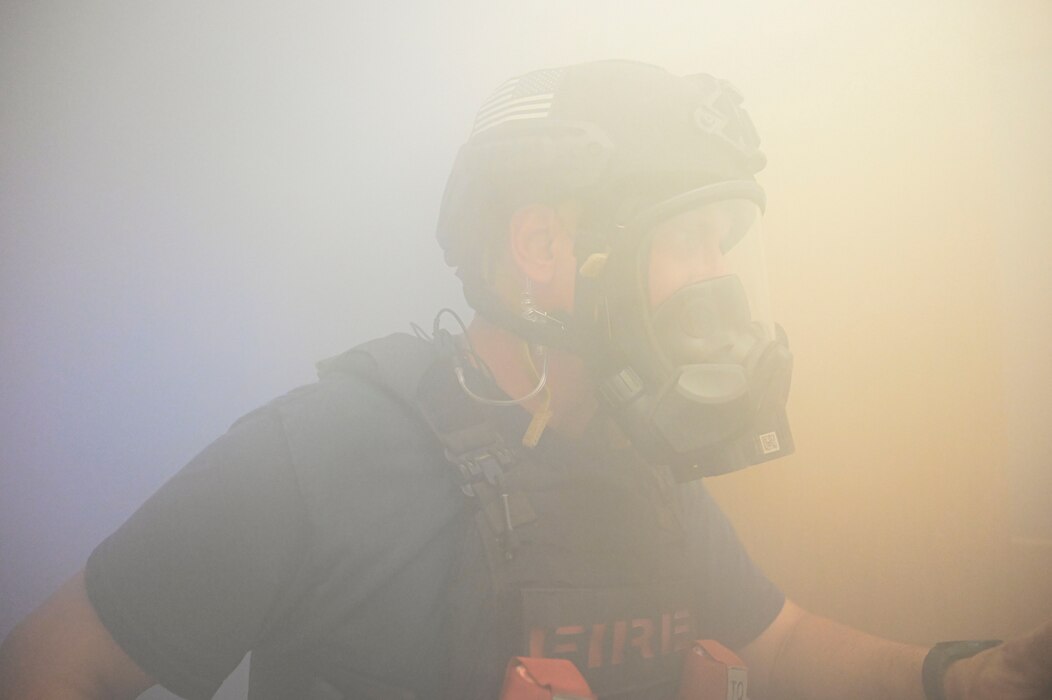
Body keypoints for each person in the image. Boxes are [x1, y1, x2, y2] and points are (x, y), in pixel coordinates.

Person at [0, 60, 1049, 700]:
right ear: (543, 250)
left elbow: (772, 643)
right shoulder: (316, 454)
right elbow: (51, 664)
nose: (718, 281)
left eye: (728, 243)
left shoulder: (645, 462)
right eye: (687, 239)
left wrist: (960, 676)